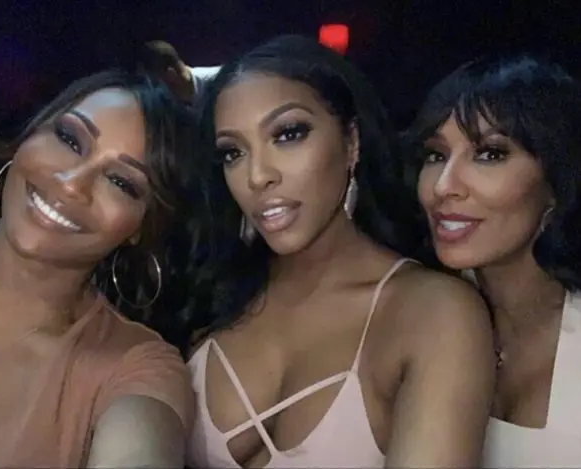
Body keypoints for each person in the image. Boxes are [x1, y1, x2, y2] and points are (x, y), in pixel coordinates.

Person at [183, 35, 495, 468]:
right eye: (233, 152)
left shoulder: (432, 311)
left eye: (288, 134)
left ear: (351, 141)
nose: (257, 176)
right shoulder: (213, 295)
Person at [0, 69, 199, 467]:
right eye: (70, 140)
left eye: (120, 182)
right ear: (30, 135)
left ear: (141, 227)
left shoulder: (134, 365)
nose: (72, 184)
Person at [405, 55, 581, 467]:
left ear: (556, 183)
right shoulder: (413, 315)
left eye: (489, 154)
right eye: (435, 155)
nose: (443, 187)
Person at [139, 40, 221, 101]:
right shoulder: (172, 104)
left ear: (171, 73)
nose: (155, 90)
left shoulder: (222, 81)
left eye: (155, 82)